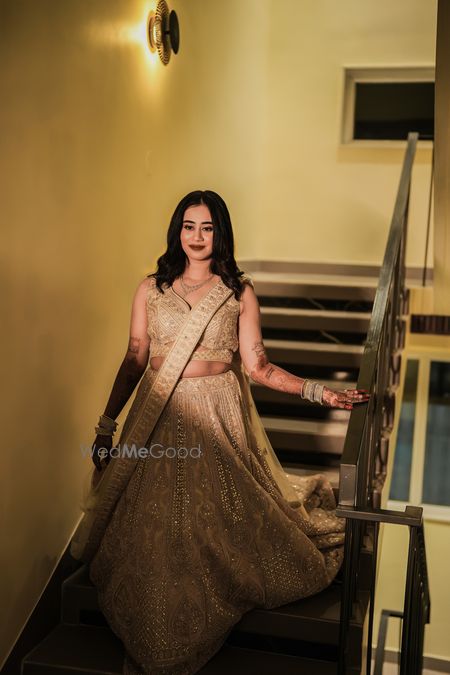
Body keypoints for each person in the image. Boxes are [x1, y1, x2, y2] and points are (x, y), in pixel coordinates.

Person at [70, 189, 370, 675]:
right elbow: (134, 359)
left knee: (211, 516)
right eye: (188, 226)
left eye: (207, 228)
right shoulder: (150, 288)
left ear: (221, 233)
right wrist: (106, 426)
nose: (196, 237)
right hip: (158, 413)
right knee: (156, 526)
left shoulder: (237, 292)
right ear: (177, 231)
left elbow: (259, 367)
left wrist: (320, 392)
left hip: (216, 413)